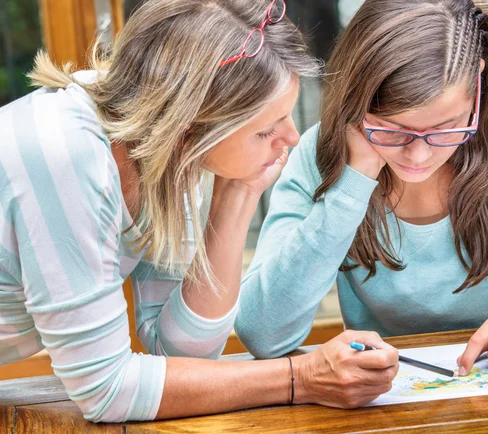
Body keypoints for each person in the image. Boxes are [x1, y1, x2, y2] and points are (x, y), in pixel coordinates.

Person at [0, 0, 399, 423]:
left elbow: (177, 353)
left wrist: (238, 194)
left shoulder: (164, 151)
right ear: (189, 127)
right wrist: (300, 377)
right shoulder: (64, 152)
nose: (292, 138)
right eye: (267, 128)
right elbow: (108, 391)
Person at [235, 0, 488, 377]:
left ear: (477, 86)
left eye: (446, 127)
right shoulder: (320, 158)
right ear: (355, 101)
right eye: (393, 128)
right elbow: (263, 334)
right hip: (386, 403)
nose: (418, 155)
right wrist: (353, 183)